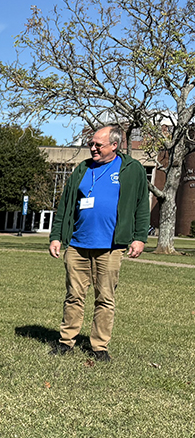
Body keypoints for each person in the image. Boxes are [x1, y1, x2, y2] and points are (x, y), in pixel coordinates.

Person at [48, 124, 150, 362]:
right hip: (77, 244)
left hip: (111, 247)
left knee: (105, 298)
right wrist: (56, 236)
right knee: (74, 295)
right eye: (91, 144)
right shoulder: (82, 169)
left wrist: (139, 238)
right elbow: (65, 206)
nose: (92, 148)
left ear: (114, 145)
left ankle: (99, 347)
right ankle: (66, 342)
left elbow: (141, 206)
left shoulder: (131, 169)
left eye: (98, 145)